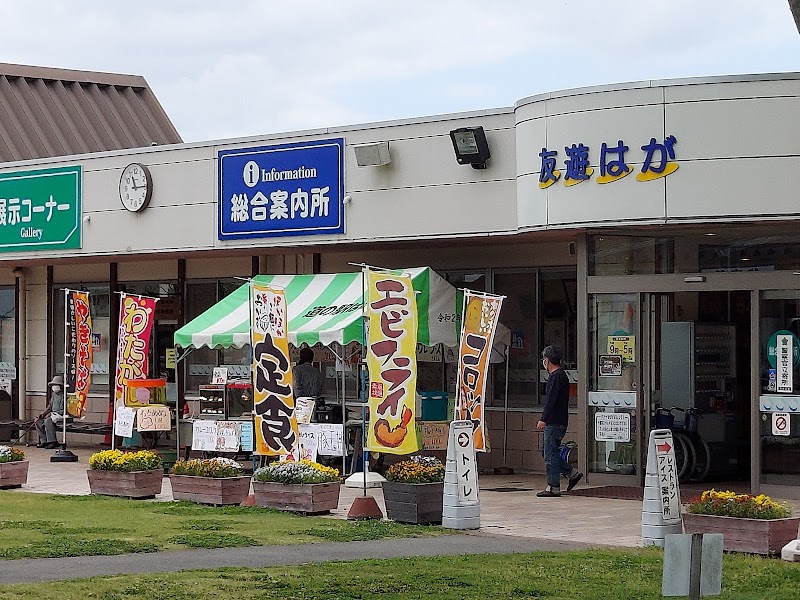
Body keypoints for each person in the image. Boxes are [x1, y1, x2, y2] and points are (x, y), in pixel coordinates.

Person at [536, 345, 583, 497]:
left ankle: (553, 486)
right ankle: (572, 473)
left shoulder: (557, 376)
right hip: (558, 420)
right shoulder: (560, 375)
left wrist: (543, 419)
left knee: (550, 453)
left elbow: (551, 401)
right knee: (548, 452)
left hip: (554, 421)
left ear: (547, 360)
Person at [36, 375, 65, 449]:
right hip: (53, 415)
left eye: (56, 385)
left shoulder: (65, 396)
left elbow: (66, 410)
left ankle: (52, 441)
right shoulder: (54, 395)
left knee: (48, 421)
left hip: (62, 416)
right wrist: (43, 414)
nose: (54, 387)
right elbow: (50, 406)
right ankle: (44, 440)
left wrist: (52, 414)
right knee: (38, 421)